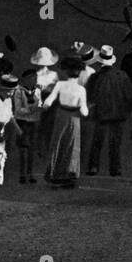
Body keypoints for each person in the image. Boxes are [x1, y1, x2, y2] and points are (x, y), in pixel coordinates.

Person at [86, 45, 132, 177]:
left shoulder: (95, 77)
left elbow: (89, 96)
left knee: (97, 141)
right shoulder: (122, 75)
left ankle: (93, 167)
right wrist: (126, 110)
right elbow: (131, 96)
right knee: (115, 143)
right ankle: (115, 169)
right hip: (118, 114)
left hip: (100, 113)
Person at [42, 57, 89, 186]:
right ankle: (70, 173)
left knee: (58, 141)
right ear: (79, 73)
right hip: (74, 117)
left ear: (67, 72)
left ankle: (54, 172)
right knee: (72, 144)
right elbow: (84, 109)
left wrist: (45, 105)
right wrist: (86, 112)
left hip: (61, 115)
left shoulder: (60, 84)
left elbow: (49, 100)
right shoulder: (81, 89)